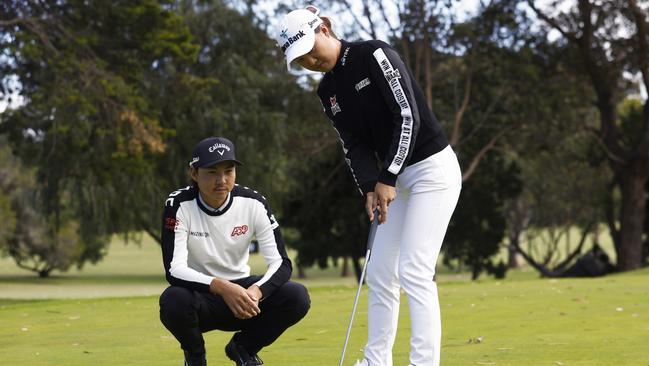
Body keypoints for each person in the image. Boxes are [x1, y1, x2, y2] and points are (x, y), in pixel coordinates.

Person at [276, 7, 462, 366]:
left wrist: (387, 177)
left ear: (325, 29)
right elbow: (353, 145)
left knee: (415, 269)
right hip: (394, 181)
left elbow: (407, 115)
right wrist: (369, 187)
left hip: (431, 171)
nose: (310, 60)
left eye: (310, 49)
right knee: (378, 272)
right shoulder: (327, 92)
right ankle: (376, 360)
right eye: (300, 59)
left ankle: (424, 362)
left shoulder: (374, 54)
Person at [159, 136, 310, 366]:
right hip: (202, 298)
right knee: (173, 300)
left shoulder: (254, 202)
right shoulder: (178, 204)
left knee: (296, 296)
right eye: (212, 172)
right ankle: (196, 357)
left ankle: (243, 349)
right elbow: (174, 269)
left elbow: (281, 263)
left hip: (245, 300)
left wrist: (256, 292)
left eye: (228, 171)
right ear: (194, 174)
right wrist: (222, 287)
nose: (222, 180)